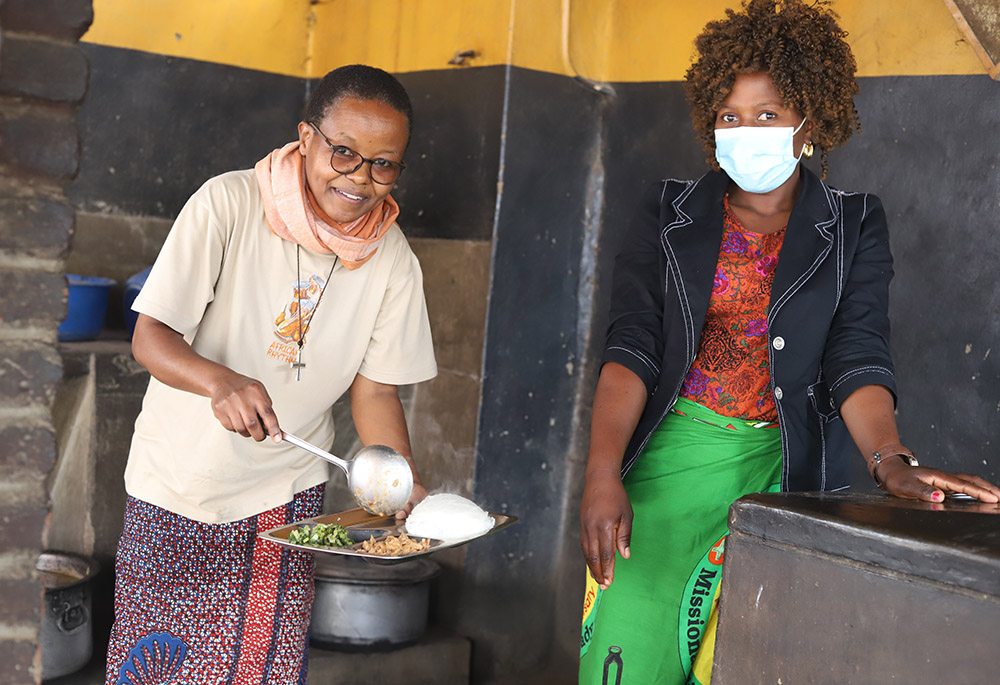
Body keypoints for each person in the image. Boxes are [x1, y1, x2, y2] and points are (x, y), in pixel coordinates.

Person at [577, 2, 1000, 684]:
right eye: (730, 115)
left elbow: (856, 354)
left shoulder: (855, 226)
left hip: (784, 477)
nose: (745, 131)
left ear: (809, 123)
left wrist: (890, 459)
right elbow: (632, 347)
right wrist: (601, 472)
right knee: (629, 658)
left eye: (768, 114)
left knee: (751, 659)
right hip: (665, 473)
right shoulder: (667, 213)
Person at [104, 64, 437, 684]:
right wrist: (218, 381)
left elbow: (376, 389)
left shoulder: (391, 258)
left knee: (262, 671)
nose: (360, 178)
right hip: (178, 487)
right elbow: (150, 337)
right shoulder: (228, 203)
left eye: (383, 164)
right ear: (306, 138)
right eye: (343, 153)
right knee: (158, 668)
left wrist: (400, 478)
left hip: (285, 499)